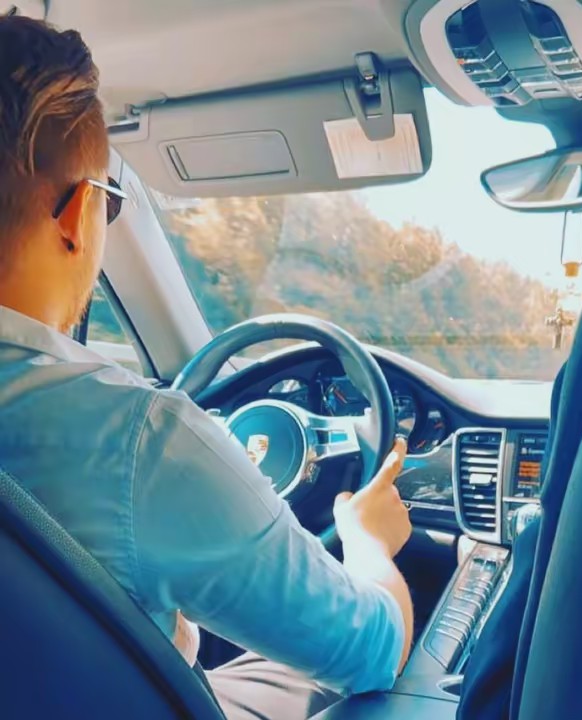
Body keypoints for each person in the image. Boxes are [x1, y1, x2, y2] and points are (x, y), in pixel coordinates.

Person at [0, 14, 413, 720]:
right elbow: (372, 647)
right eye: (111, 205)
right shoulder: (141, 442)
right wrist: (365, 541)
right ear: (79, 212)